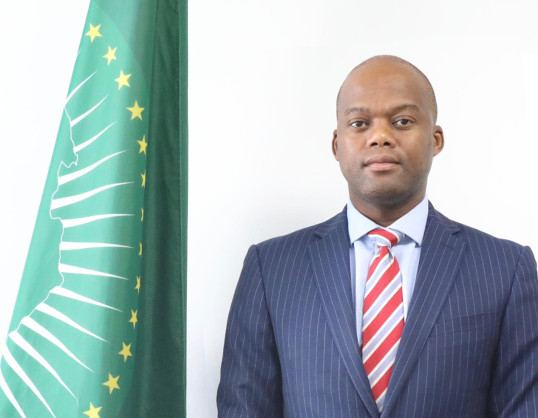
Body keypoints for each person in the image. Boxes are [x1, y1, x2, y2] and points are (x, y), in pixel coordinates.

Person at [217, 55, 538, 418]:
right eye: (359, 123)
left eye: (403, 121)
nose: (380, 136)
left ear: (435, 140)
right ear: (337, 145)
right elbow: (245, 407)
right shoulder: (271, 268)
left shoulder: (505, 269)